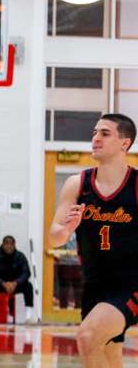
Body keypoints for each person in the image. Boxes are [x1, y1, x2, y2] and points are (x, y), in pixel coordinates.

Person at [49, 113, 138, 368]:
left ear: (125, 143)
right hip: (94, 284)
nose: (95, 138)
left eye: (105, 133)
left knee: (88, 337)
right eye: (94, 133)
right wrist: (66, 229)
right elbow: (54, 237)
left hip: (130, 283)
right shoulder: (77, 184)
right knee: (108, 354)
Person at [0, 235, 35, 324]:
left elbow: (26, 273)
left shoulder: (20, 256)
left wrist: (15, 283)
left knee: (28, 286)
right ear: (2, 244)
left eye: (11, 244)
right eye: (6, 244)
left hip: (15, 285)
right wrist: (2, 283)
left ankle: (28, 317)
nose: (9, 246)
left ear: (15, 245)